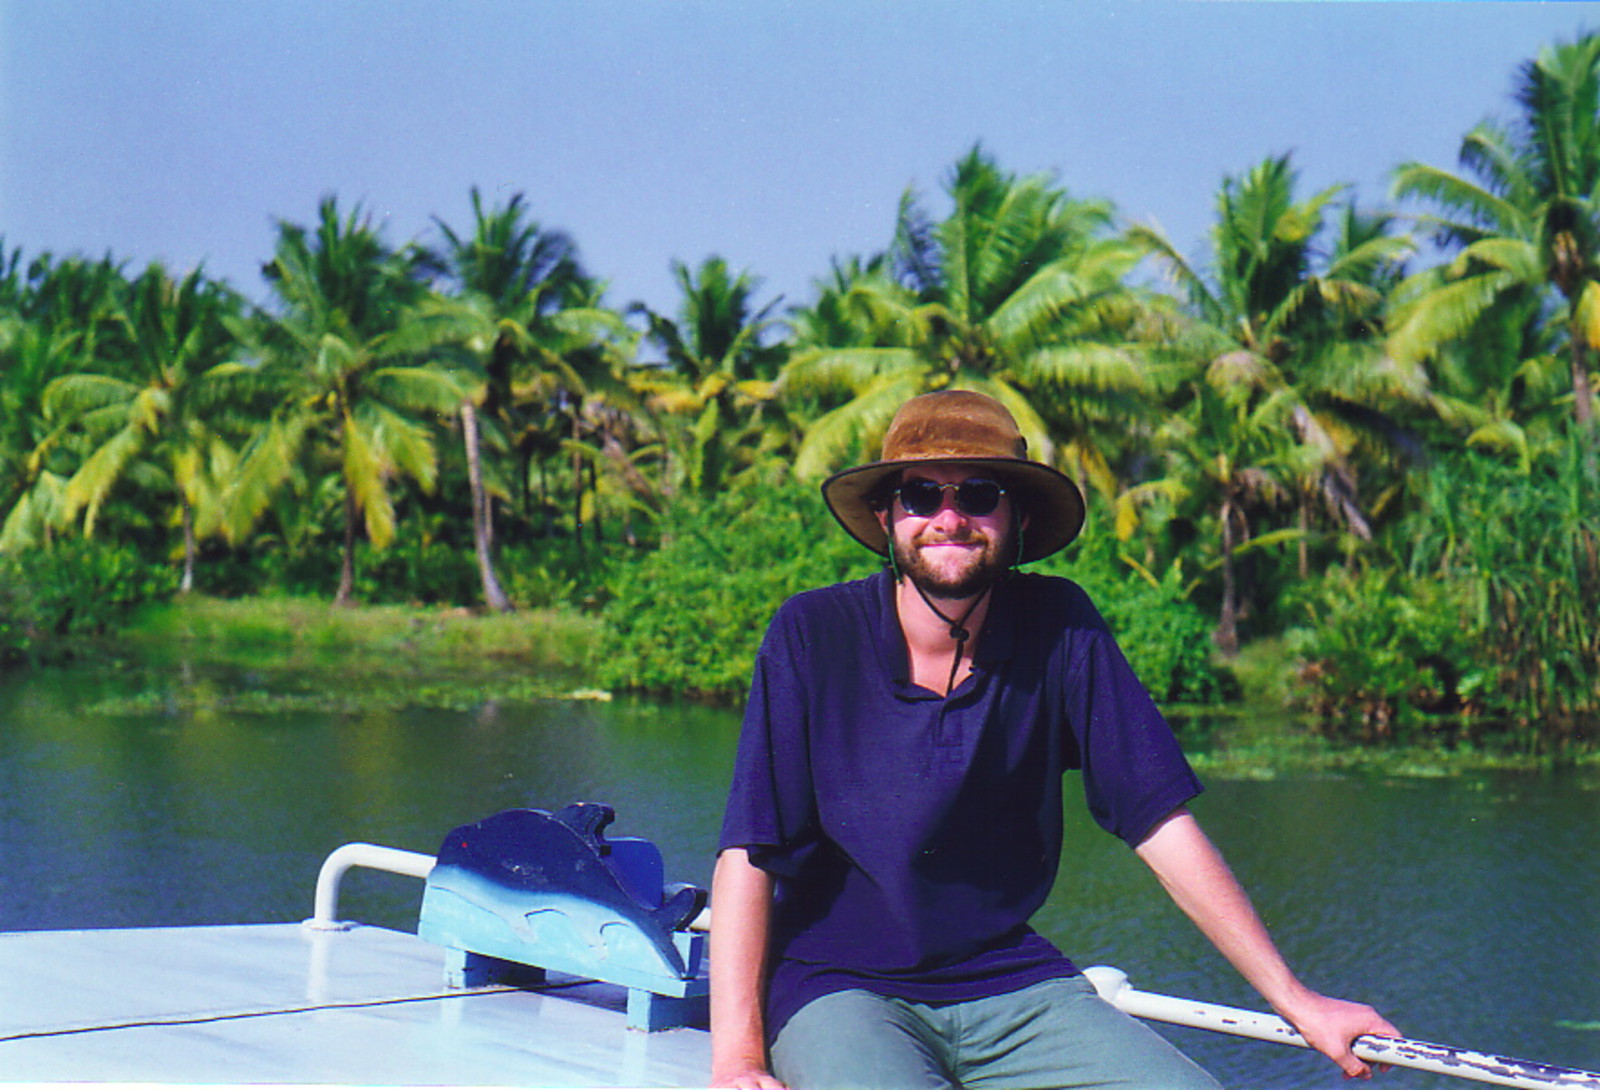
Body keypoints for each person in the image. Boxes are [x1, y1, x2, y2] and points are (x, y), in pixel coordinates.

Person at [709, 390, 1399, 1090]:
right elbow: (750, 851)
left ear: (1018, 517)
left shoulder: (1061, 627)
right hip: (839, 987)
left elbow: (1158, 821)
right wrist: (737, 1059)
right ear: (889, 516)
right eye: (922, 495)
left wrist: (1297, 999)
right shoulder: (811, 634)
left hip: (1007, 984)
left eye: (978, 494)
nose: (949, 518)